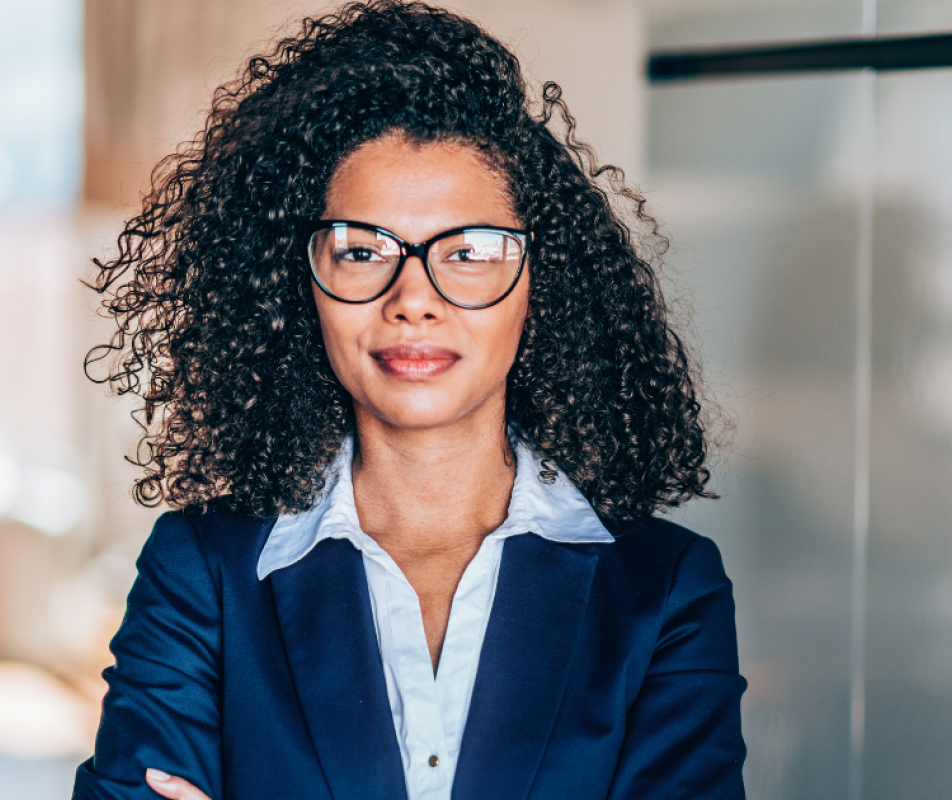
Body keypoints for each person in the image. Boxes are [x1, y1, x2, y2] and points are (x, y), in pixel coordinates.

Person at [73, 2, 746, 798]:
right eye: (362, 250)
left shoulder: (665, 590)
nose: (413, 298)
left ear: (542, 283)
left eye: (468, 252)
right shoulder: (203, 574)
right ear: (301, 284)